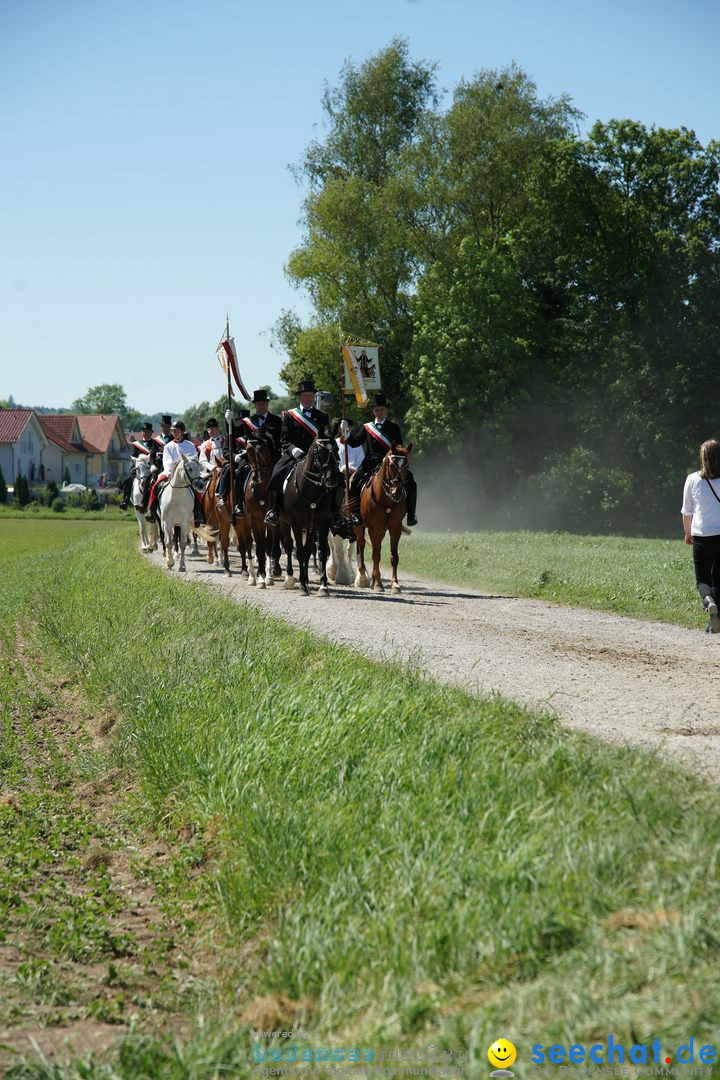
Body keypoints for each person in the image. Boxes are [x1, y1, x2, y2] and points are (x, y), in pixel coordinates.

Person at [264, 378, 342, 528]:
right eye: (304, 395)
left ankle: (336, 512)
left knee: (338, 477)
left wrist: (339, 431)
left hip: (318, 457)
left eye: (310, 395)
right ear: (299, 397)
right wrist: (294, 450)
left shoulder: (322, 416)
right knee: (276, 474)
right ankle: (274, 510)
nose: (308, 398)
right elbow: (284, 440)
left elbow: (326, 436)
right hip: (295, 455)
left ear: (313, 397)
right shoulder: (290, 415)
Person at [342, 393, 418, 526]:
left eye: (382, 409)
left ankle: (411, 514)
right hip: (371, 462)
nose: (379, 412)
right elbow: (355, 443)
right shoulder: (367, 427)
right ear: (373, 411)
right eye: (377, 410)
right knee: (354, 481)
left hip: (391, 463)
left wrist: (390, 459)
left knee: (410, 481)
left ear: (386, 411)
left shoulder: (393, 427)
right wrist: (346, 433)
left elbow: (399, 446)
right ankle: (356, 515)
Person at [682, 438, 720, 633]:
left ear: (702, 458)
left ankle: (707, 601)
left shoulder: (692, 479)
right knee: (718, 579)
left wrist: (688, 534)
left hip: (702, 535)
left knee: (702, 579)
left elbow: (687, 511)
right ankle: (713, 624)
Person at [146, 420, 202, 526]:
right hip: (170, 472)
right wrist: (171, 472)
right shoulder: (168, 446)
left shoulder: (190, 445)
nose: (175, 433)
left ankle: (198, 513)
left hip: (187, 473)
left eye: (177, 431)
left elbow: (194, 460)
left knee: (198, 489)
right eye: (173, 431)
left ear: (182, 432)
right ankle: (152, 511)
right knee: (155, 486)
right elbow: (167, 462)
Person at [120, 422, 156, 510]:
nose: (145, 433)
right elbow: (133, 455)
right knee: (128, 479)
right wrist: (138, 461)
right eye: (144, 432)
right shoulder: (136, 444)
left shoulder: (154, 443)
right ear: (142, 433)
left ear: (151, 433)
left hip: (150, 465)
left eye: (147, 432)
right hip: (139, 465)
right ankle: (126, 500)